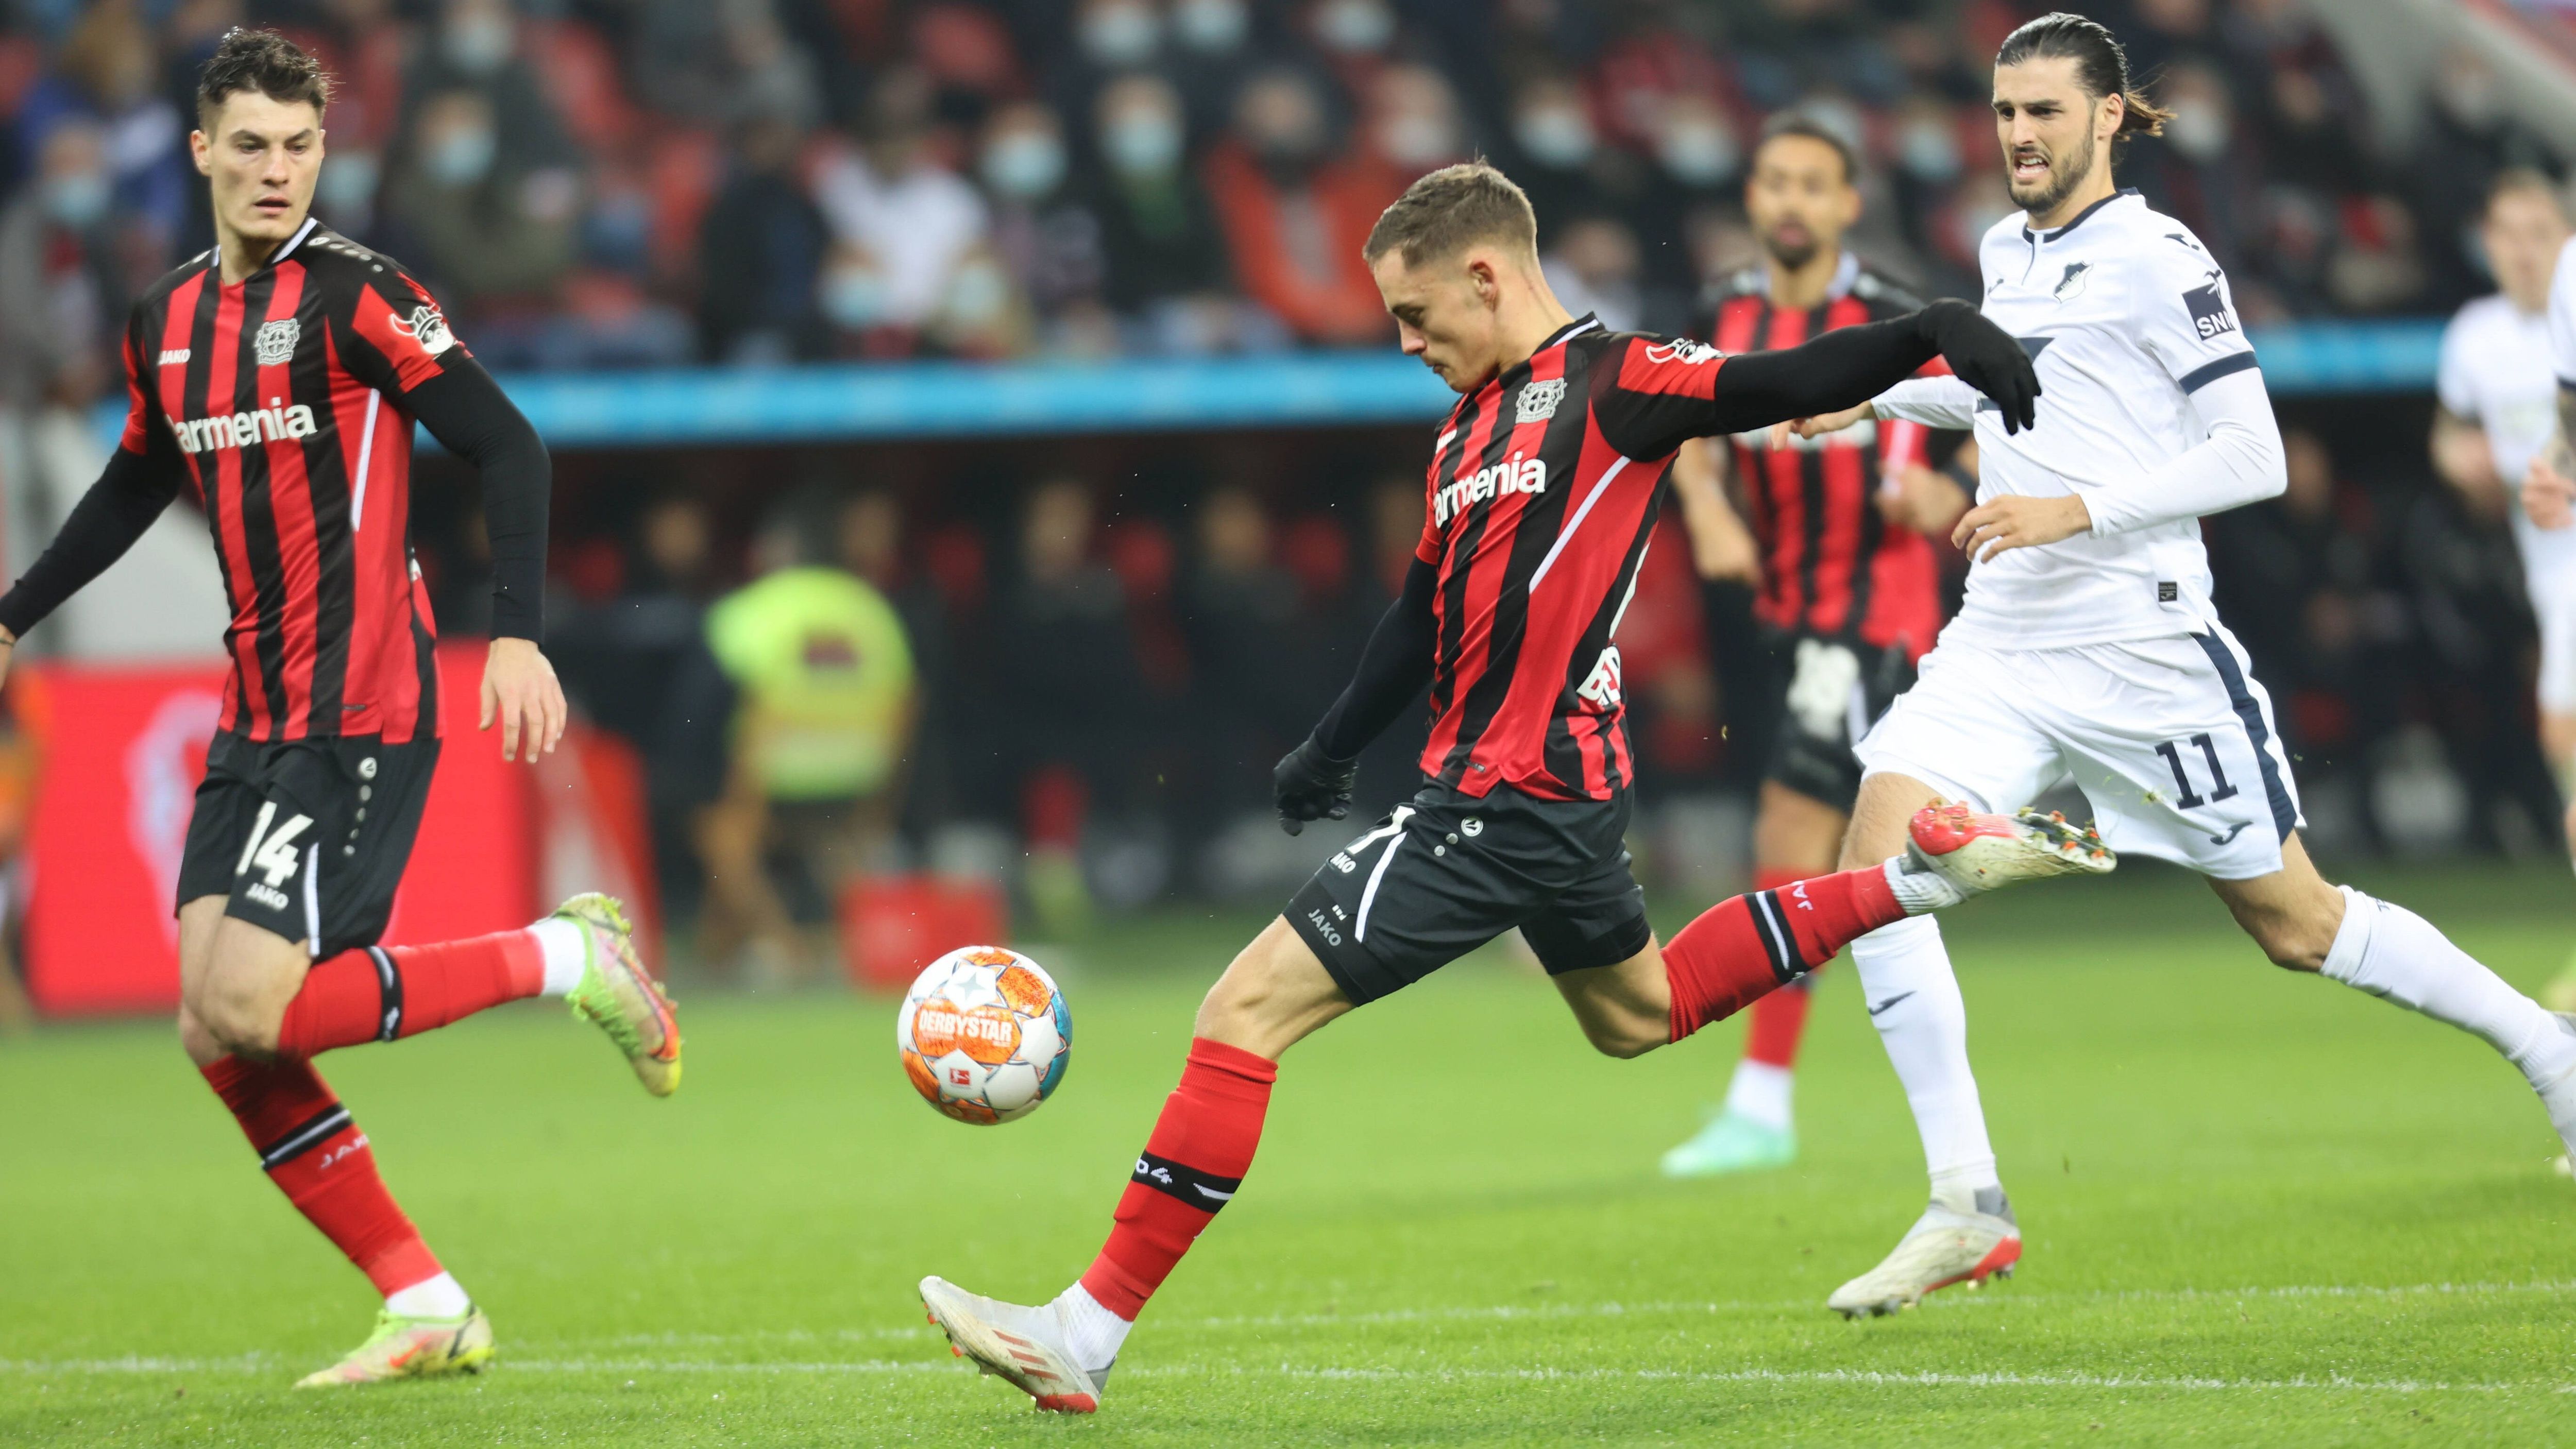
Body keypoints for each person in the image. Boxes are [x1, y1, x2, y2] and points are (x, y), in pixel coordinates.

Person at [916, 158, 2102, 1415]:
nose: (1409, 342)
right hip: (1555, 795)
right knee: (1635, 1012)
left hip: (1508, 795)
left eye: (1416, 315)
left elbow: (1777, 381)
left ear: (1488, 276)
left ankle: (1082, 1332)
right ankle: (1916, 872)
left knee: (1241, 1010)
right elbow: (1423, 607)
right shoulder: (1466, 431)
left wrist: (1930, 332)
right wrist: (1329, 744)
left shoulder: (1619, 382)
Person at [1780, 12, 2576, 1320]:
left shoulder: (2160, 255)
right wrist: (1875, 398)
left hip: (2143, 643)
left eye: (2043, 111)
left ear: (2106, 117)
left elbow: (2250, 456)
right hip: (2005, 630)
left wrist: (2070, 512)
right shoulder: (2001, 251)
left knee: (2297, 926)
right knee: (1869, 882)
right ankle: (1965, 1202)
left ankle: (2548, 1054)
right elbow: (2016, 399)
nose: (2018, 135)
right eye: (2002, 112)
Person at [0, 31, 680, 1387]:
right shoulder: (166, 320)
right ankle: (423, 1297)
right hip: (255, 715)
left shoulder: (362, 296)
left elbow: (507, 440)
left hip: (363, 706)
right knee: (212, 1027)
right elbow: (140, 480)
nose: (274, 169)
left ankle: (567, 956)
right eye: (248, 144)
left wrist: (522, 635)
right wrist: (13, 614)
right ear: (201, 151)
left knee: (254, 1002)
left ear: (325, 153)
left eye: (299, 146)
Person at [1659, 115, 1975, 1181]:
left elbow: (1998, 412)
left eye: (1814, 184)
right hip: (1781, 615)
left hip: (1874, 611)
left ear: (1849, 204)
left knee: (1793, 831)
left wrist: (1951, 488)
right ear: (1752, 197)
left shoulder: (1896, 314)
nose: (1791, 200)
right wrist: (1703, 508)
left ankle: (1761, 1101)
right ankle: (1953, 849)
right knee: (1851, 854)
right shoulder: (1723, 309)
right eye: (1775, 181)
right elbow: (1687, 431)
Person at [2432, 174, 2575, 993]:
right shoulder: (2476, 336)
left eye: (2540, 230)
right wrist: (2462, 462)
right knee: (2564, 743)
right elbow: (2452, 432)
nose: (2524, 250)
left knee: (2566, 737)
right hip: (2550, 569)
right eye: (2508, 233)